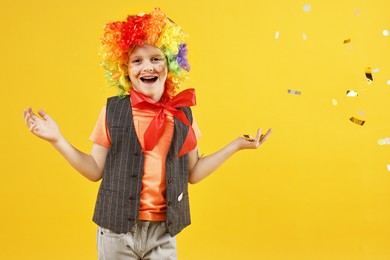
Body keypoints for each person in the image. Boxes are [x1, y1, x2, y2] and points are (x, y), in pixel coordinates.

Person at [23, 8, 272, 260]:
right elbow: (94, 170)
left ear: (171, 63)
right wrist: (57, 139)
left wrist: (237, 145)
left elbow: (193, 173)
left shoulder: (183, 113)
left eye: (156, 58)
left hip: (164, 231)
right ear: (125, 69)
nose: (147, 67)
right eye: (137, 60)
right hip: (116, 231)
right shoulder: (113, 110)